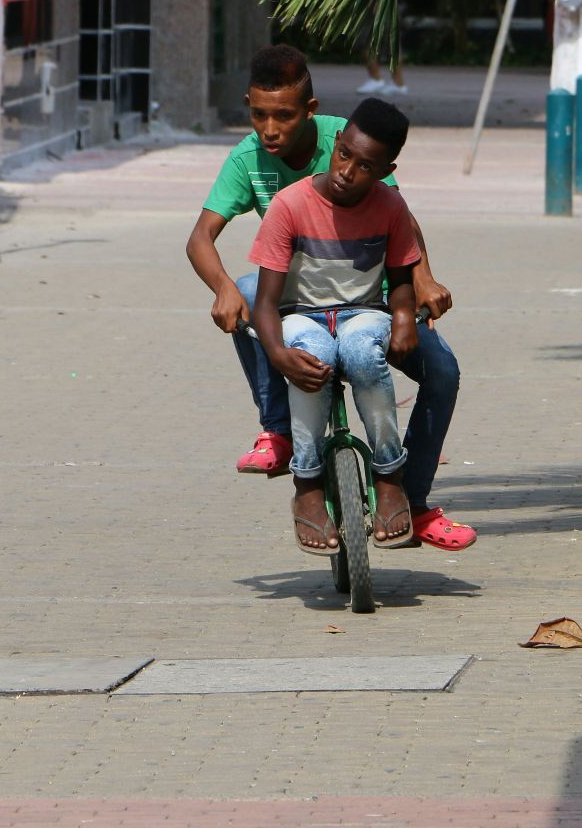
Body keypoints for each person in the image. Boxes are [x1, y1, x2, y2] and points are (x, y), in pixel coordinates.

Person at [184, 45, 475, 551]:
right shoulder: (247, 159)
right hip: (295, 298)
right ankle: (278, 432)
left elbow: (399, 217)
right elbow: (199, 238)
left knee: (444, 371)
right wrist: (223, 287)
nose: (269, 129)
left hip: (372, 298)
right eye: (258, 115)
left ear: (313, 112)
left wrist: (422, 280)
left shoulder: (355, 138)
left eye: (284, 116)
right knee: (250, 293)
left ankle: (412, 499)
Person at [248, 99, 420, 552]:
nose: (347, 172)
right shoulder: (290, 205)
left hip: (362, 311)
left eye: (367, 167)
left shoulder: (390, 208)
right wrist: (277, 354)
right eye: (344, 154)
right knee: (313, 357)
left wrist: (403, 319)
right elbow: (266, 303)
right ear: (336, 144)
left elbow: (401, 281)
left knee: (363, 353)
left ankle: (389, 476)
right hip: (301, 315)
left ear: (386, 170)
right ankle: (307, 488)